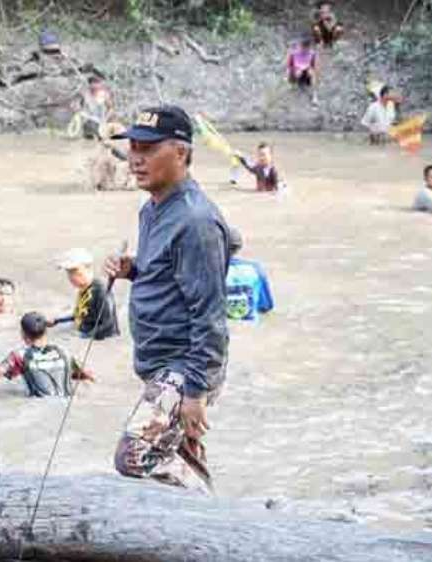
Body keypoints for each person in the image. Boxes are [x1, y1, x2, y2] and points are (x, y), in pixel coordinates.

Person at [105, 106, 231, 491]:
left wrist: (196, 391)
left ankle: (204, 507)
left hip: (185, 366)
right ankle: (201, 521)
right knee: (178, 452)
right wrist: (134, 269)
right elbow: (170, 274)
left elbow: (210, 313)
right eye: (132, 148)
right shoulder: (153, 207)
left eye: (147, 149)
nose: (135, 159)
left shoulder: (196, 221)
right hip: (159, 363)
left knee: (134, 455)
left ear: (180, 153)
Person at [0, 311, 95, 397]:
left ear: (23, 334)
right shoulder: (64, 351)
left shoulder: (19, 356)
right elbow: (87, 375)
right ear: (46, 331)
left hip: (42, 407)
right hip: (67, 403)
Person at [49, 248, 120, 340]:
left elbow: (108, 325)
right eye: (69, 273)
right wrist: (57, 320)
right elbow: (79, 314)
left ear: (88, 269)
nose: (72, 278)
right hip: (83, 328)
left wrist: (85, 336)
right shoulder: (84, 289)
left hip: (99, 338)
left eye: (76, 272)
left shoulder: (100, 291)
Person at [225, 228, 274, 322]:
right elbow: (266, 306)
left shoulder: (207, 271)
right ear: (239, 247)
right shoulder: (255, 269)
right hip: (249, 324)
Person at [76, 75, 113, 140]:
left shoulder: (104, 94)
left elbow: (111, 109)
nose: (96, 85)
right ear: (90, 84)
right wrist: (77, 109)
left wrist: (105, 120)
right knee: (87, 141)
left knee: (101, 141)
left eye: (98, 83)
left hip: (100, 123)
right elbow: (78, 106)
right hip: (87, 123)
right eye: (93, 83)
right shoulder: (84, 93)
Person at [286, 37, 319, 104]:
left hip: (307, 72)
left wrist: (309, 69)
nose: (304, 49)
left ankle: (314, 95)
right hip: (296, 71)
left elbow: (315, 67)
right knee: (298, 72)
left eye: (306, 47)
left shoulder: (312, 54)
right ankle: (294, 84)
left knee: (311, 72)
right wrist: (288, 76)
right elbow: (289, 66)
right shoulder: (293, 53)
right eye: (302, 46)